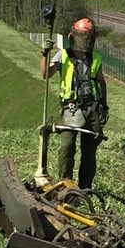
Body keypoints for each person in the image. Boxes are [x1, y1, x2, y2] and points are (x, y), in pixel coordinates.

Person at [41, 17, 108, 189]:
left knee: (89, 151)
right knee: (67, 146)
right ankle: (65, 183)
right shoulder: (62, 56)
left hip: (92, 108)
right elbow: (45, 75)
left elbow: (101, 82)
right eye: (83, 37)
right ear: (74, 36)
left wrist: (104, 106)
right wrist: (44, 54)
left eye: (88, 37)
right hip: (71, 108)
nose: (85, 41)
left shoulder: (95, 58)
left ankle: (85, 187)